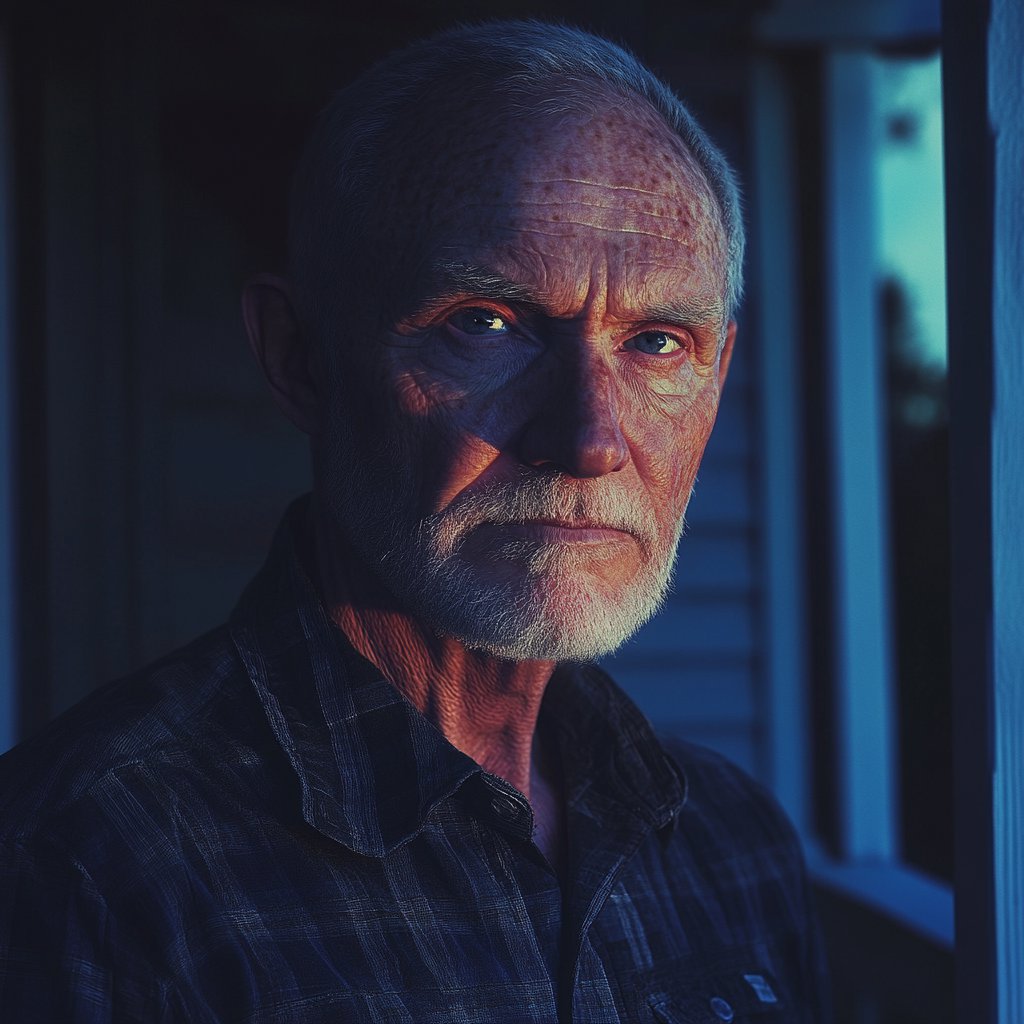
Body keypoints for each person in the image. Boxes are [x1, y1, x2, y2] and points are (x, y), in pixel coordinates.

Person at [0, 20, 829, 1023]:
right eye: (485, 324)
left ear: (718, 375)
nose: (590, 439)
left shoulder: (733, 846)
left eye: (657, 342)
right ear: (299, 356)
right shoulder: (87, 863)